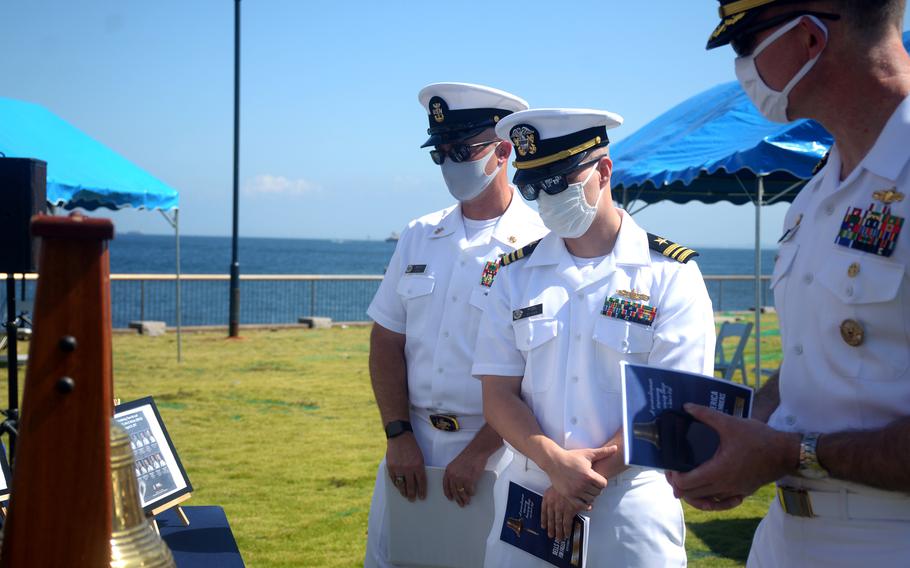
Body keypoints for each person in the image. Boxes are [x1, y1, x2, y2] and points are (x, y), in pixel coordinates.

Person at [666, 1, 910, 566]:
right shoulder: (817, 192)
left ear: (809, 37)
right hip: (786, 538)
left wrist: (789, 453)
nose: (742, 65)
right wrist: (746, 431)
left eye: (745, 42)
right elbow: (816, 356)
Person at [473, 108, 716, 566]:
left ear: (604, 170)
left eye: (558, 180)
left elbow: (675, 401)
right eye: (532, 186)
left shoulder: (670, 274)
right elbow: (497, 393)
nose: (546, 197)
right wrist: (552, 463)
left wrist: (582, 481)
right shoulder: (514, 275)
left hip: (629, 505)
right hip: (530, 495)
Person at [364, 83, 548, 567]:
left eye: (462, 151)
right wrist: (398, 434)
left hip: (500, 453)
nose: (450, 164)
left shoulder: (541, 245)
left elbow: (537, 371)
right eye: (441, 154)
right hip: (413, 445)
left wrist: (480, 451)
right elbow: (386, 341)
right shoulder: (420, 235)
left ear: (504, 151)